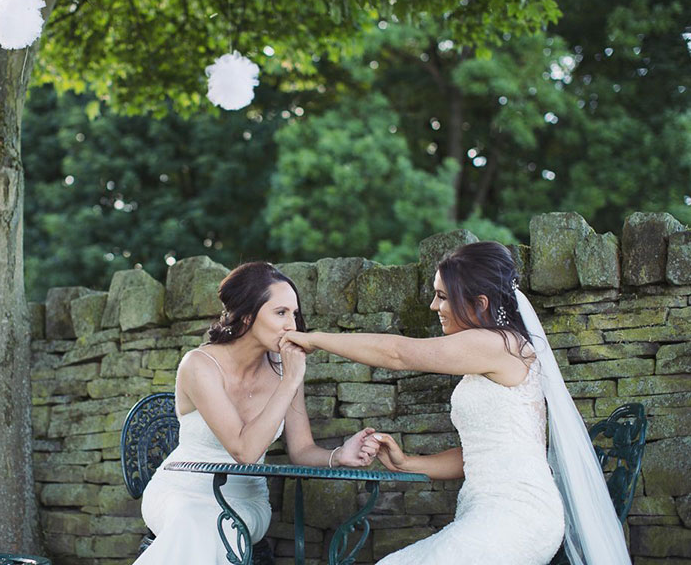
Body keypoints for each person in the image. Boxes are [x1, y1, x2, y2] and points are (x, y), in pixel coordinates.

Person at [281, 242, 631, 565]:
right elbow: (482, 454)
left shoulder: (498, 344)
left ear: (480, 303)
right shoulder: (492, 352)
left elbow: (397, 354)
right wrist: (406, 463)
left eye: (443, 297)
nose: (434, 306)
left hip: (518, 518)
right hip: (486, 513)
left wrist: (314, 339)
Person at [136, 261, 381, 565]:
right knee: (193, 521)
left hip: (245, 501)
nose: (292, 325)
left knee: (214, 526)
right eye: (280, 313)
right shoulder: (198, 366)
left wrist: (340, 455)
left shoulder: (285, 369)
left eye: (294, 314)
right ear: (248, 316)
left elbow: (302, 450)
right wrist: (290, 380)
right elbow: (245, 451)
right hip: (179, 494)